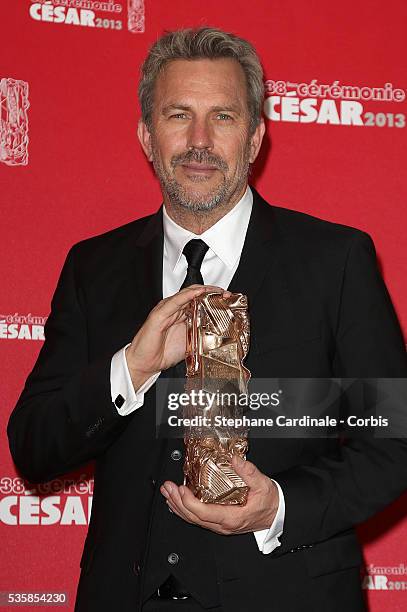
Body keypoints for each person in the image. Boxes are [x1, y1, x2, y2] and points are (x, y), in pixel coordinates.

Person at [7, 26, 407, 612]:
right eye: (177, 115)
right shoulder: (94, 268)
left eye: (222, 117)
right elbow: (34, 445)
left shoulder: (335, 260)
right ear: (147, 136)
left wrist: (278, 506)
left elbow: (394, 441)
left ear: (254, 139)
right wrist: (129, 372)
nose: (199, 141)